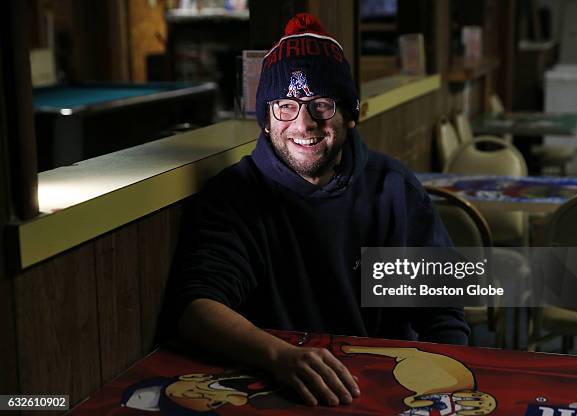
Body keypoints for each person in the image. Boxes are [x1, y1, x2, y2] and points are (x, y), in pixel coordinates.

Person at [161, 13, 469, 408]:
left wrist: (444, 391)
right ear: (267, 120)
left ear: (351, 115)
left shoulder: (392, 187)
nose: (303, 124)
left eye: (321, 105)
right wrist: (279, 356)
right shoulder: (236, 194)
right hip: (275, 387)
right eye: (286, 106)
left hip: (385, 388)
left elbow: (442, 308)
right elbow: (195, 308)